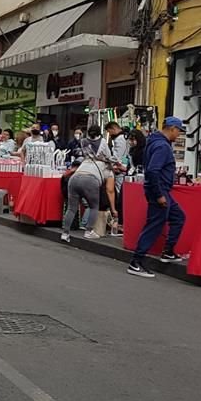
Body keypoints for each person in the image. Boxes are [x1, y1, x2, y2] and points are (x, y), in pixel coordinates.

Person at [128, 117, 187, 279]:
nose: (179, 135)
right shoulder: (162, 146)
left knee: (178, 217)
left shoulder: (154, 142)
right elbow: (153, 171)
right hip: (159, 191)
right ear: (172, 129)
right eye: (178, 131)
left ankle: (168, 251)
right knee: (154, 225)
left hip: (160, 190)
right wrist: (160, 194)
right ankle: (136, 261)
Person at [60, 153, 118, 242]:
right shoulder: (108, 169)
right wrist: (113, 209)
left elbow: (72, 171)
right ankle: (89, 231)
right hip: (90, 181)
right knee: (94, 207)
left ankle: (65, 233)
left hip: (74, 179)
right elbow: (110, 190)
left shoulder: (87, 160)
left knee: (71, 208)